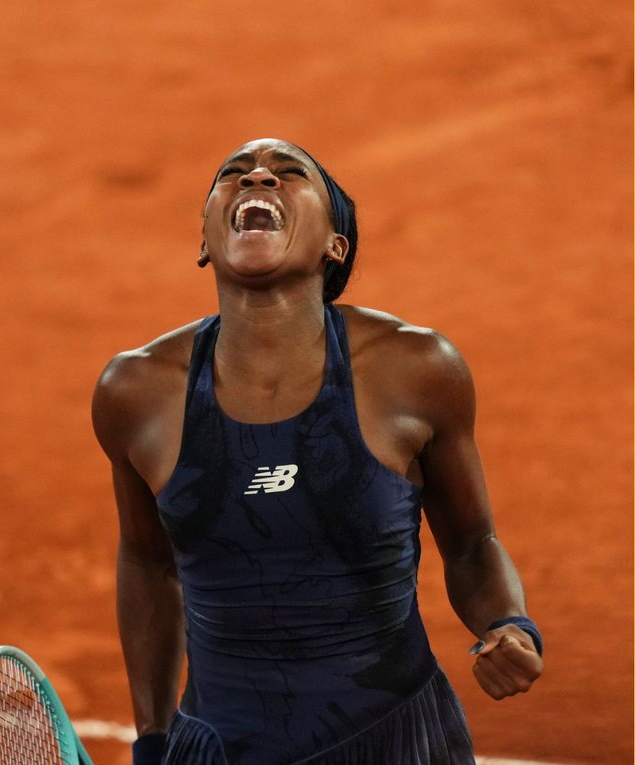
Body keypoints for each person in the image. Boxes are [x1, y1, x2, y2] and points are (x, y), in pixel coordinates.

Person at [91, 139, 544, 765]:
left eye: (289, 172)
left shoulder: (417, 369)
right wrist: (152, 741)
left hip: (398, 742)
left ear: (336, 245)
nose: (257, 177)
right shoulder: (135, 391)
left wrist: (509, 623)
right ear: (205, 241)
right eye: (234, 173)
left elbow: (471, 545)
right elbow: (147, 562)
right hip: (219, 749)